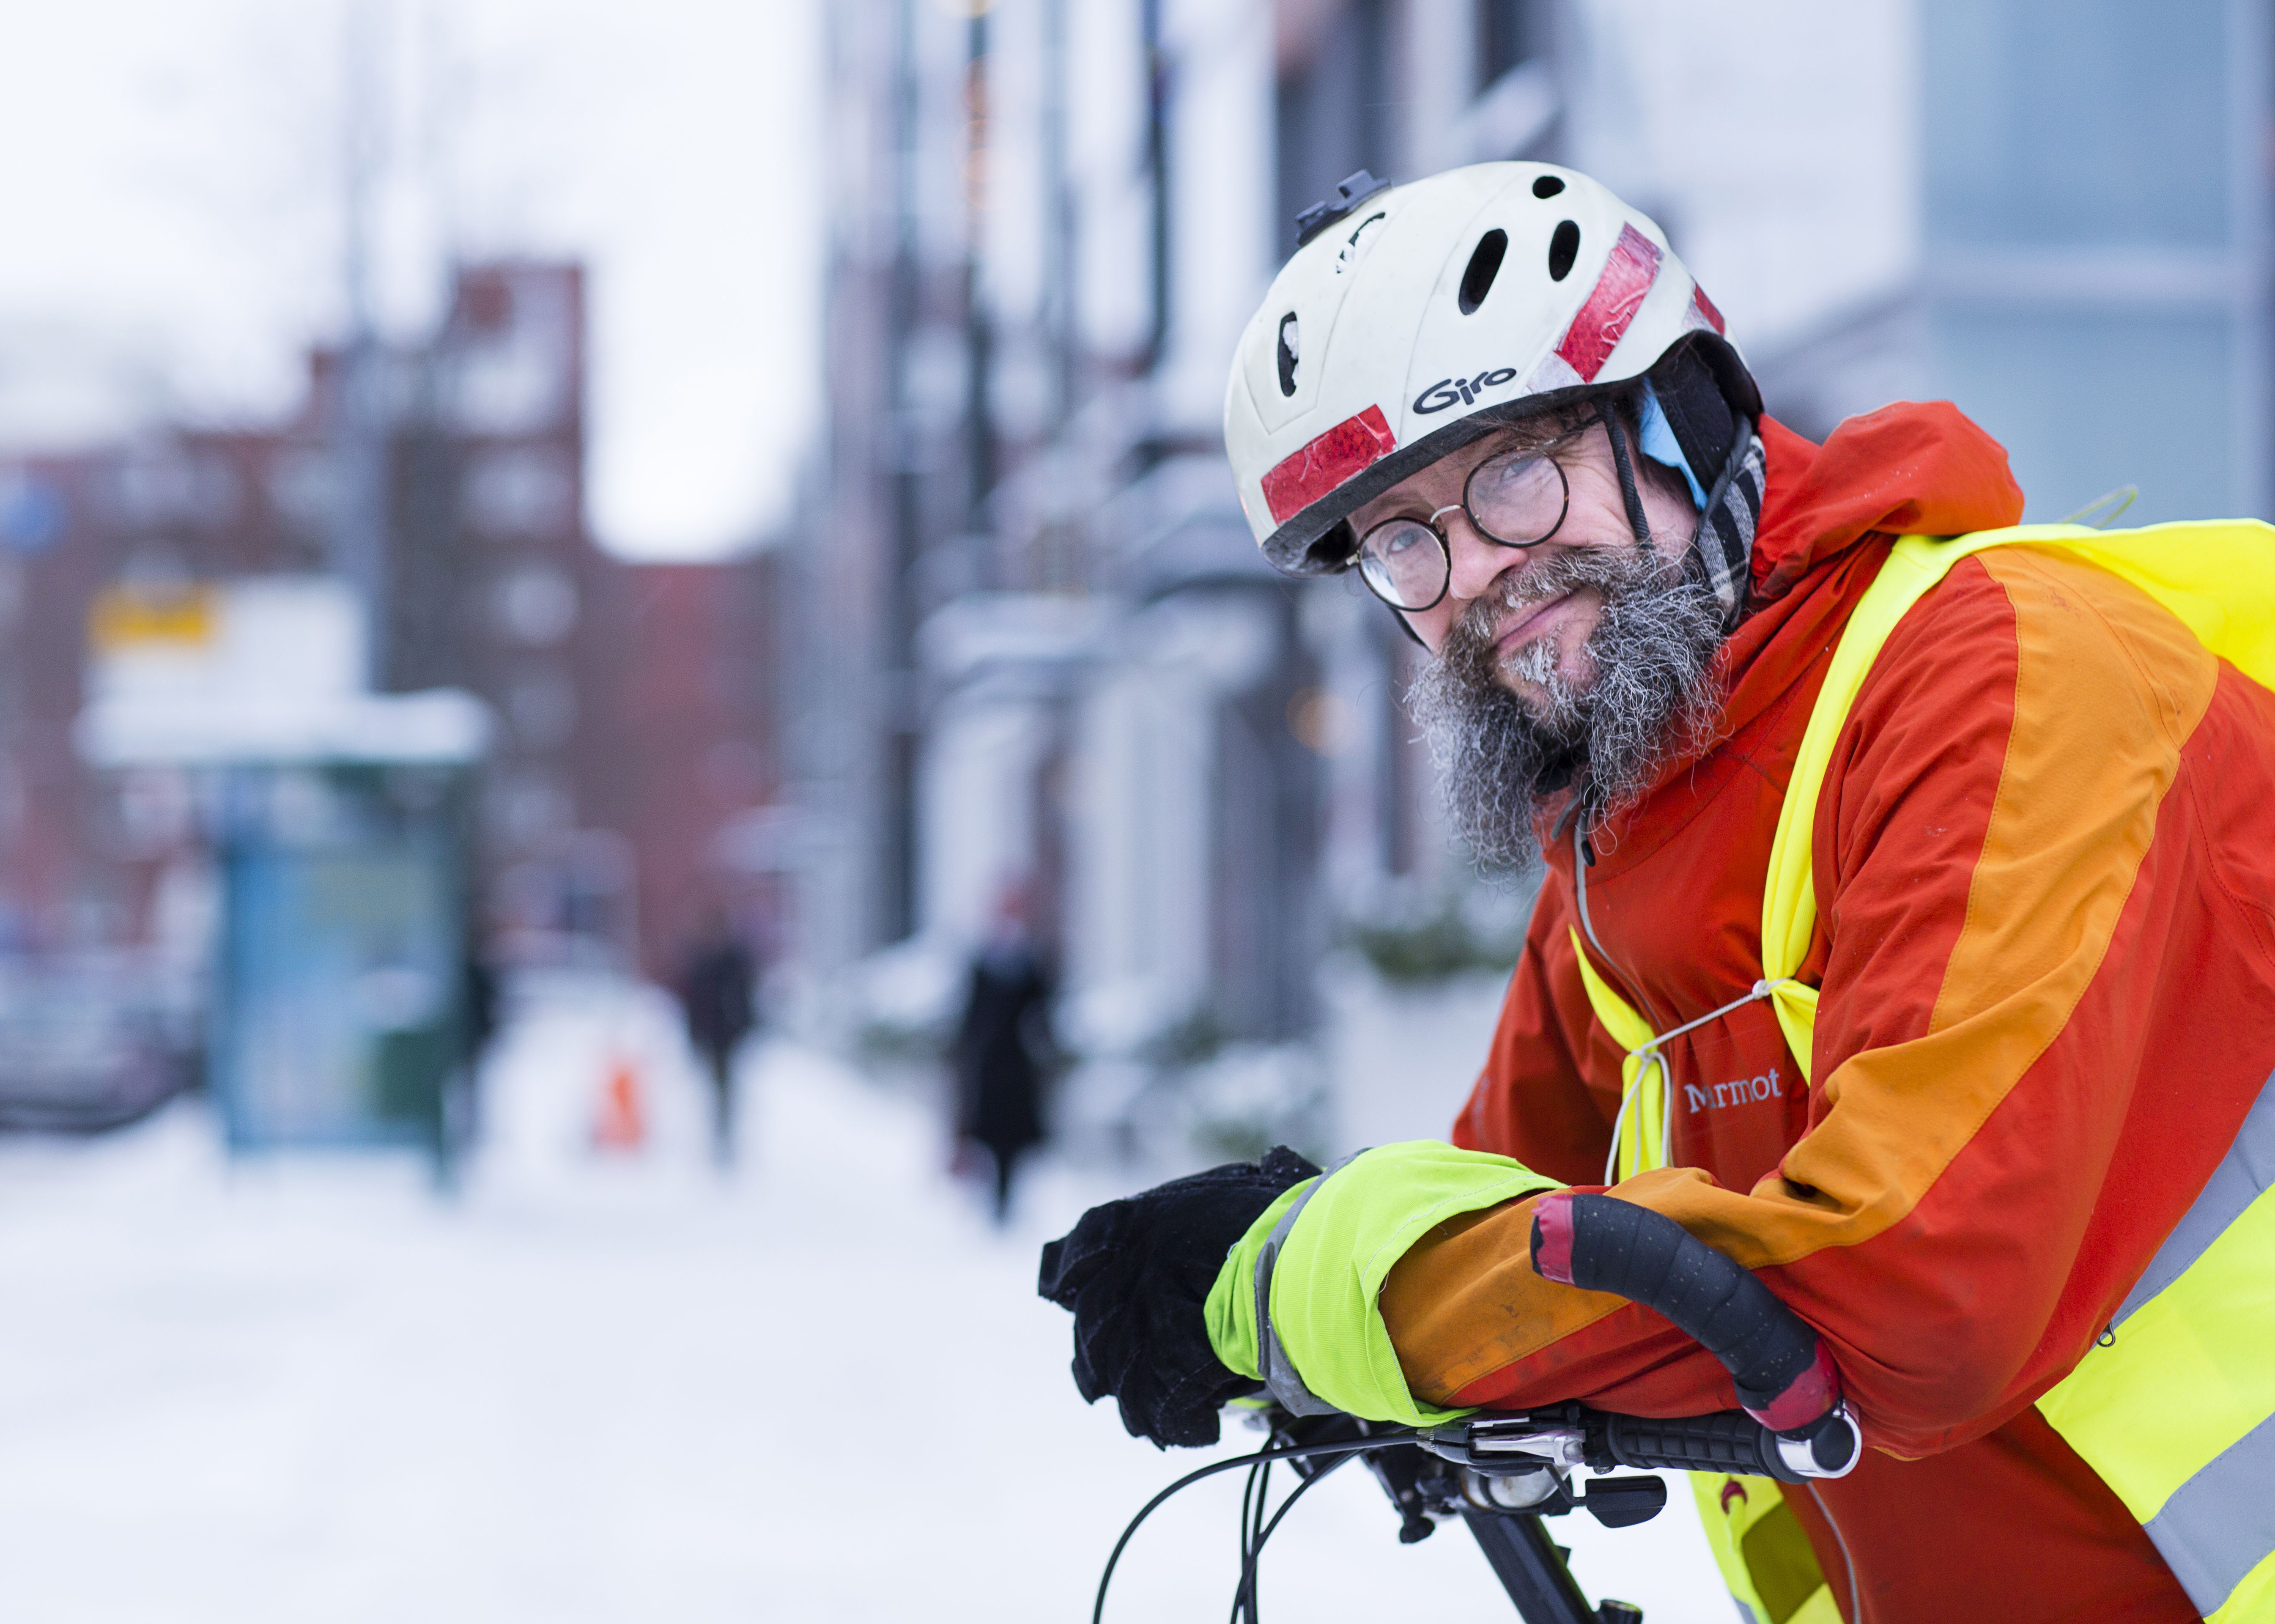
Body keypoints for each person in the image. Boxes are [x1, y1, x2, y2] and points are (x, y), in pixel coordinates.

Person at [1039, 162, 2275, 1624]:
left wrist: (1308, 1288)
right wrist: (1292, 1265)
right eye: (1404, 541)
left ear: (1679, 417)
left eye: (1516, 470)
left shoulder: (2012, 686)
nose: (1481, 572)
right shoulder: (1630, 832)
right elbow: (1512, 1212)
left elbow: (1908, 1289)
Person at [952, 885, 1054, 1225]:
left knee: (1014, 1139)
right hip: (990, 1066)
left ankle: (1007, 1200)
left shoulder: (1034, 961)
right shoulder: (983, 961)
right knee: (990, 1136)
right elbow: (971, 1016)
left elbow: (1045, 1013)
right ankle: (996, 1199)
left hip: (1019, 1066)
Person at [680, 911, 756, 1166]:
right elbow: (693, 1003)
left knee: (724, 1088)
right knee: (719, 1088)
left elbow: (745, 998)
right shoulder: (705, 962)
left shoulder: (730, 961)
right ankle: (720, 1135)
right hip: (715, 1036)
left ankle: (723, 1136)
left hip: (727, 1037)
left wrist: (744, 1029)